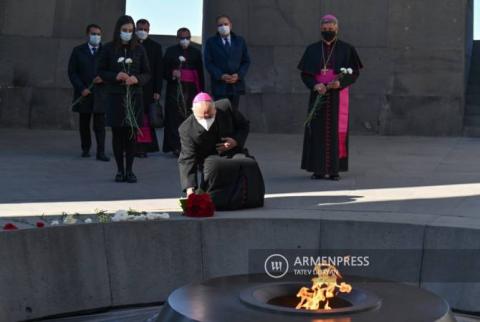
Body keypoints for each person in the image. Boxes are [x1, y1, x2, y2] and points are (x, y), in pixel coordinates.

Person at [298, 14, 363, 181]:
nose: (328, 31)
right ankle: (317, 170)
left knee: (335, 132)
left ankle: (335, 170)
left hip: (337, 96)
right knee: (317, 132)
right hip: (318, 94)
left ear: (336, 28)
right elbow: (305, 74)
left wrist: (339, 84)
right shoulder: (312, 49)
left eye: (331, 28)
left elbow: (354, 73)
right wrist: (315, 84)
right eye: (325, 29)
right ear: (321, 29)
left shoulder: (346, 49)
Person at [178, 92, 264, 210]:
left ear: (215, 109)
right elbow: (187, 158)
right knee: (215, 166)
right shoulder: (186, 129)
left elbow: (244, 125)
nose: (206, 121)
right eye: (202, 118)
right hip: (209, 159)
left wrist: (235, 141)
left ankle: (250, 198)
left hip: (233, 152)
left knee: (248, 163)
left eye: (210, 116)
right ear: (193, 112)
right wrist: (190, 191)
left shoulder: (226, 107)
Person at [98, 15, 151, 183]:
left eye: (130, 30)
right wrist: (115, 75)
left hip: (135, 97)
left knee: (131, 134)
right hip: (115, 97)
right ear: (118, 30)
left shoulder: (139, 49)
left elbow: (147, 73)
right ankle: (119, 170)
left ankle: (130, 170)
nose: (127, 33)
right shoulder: (108, 48)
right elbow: (100, 71)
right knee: (117, 134)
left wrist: (137, 79)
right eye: (124, 30)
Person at [68, 24, 109, 161]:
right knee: (84, 123)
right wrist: (81, 88)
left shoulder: (106, 51)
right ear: (87, 34)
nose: (96, 36)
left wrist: (103, 78)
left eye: (98, 34)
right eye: (93, 33)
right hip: (84, 93)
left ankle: (101, 152)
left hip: (100, 94)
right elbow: (72, 72)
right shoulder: (78, 51)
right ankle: (85, 149)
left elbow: (111, 71)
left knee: (100, 125)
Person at [163, 27, 205, 156]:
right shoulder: (170, 51)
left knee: (189, 118)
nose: (185, 40)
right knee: (173, 118)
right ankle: (175, 147)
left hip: (191, 90)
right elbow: (163, 71)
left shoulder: (196, 52)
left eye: (187, 38)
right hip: (175, 89)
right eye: (182, 38)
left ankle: (189, 146)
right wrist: (172, 73)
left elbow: (200, 73)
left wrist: (202, 93)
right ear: (177, 38)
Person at [204, 15, 250, 111]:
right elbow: (208, 62)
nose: (223, 27)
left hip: (236, 85)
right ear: (217, 27)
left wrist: (238, 75)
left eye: (225, 24)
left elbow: (246, 61)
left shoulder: (239, 41)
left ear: (230, 25)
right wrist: (221, 75)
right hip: (219, 86)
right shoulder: (211, 42)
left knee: (234, 113)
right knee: (221, 115)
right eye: (220, 25)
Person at [134, 19, 163, 158]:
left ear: (149, 30)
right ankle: (131, 146)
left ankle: (144, 147)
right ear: (135, 28)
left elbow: (158, 71)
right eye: (140, 28)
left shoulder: (155, 47)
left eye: (145, 29)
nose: (142, 31)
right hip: (132, 87)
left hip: (149, 88)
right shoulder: (129, 44)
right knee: (132, 116)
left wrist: (157, 90)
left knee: (146, 119)